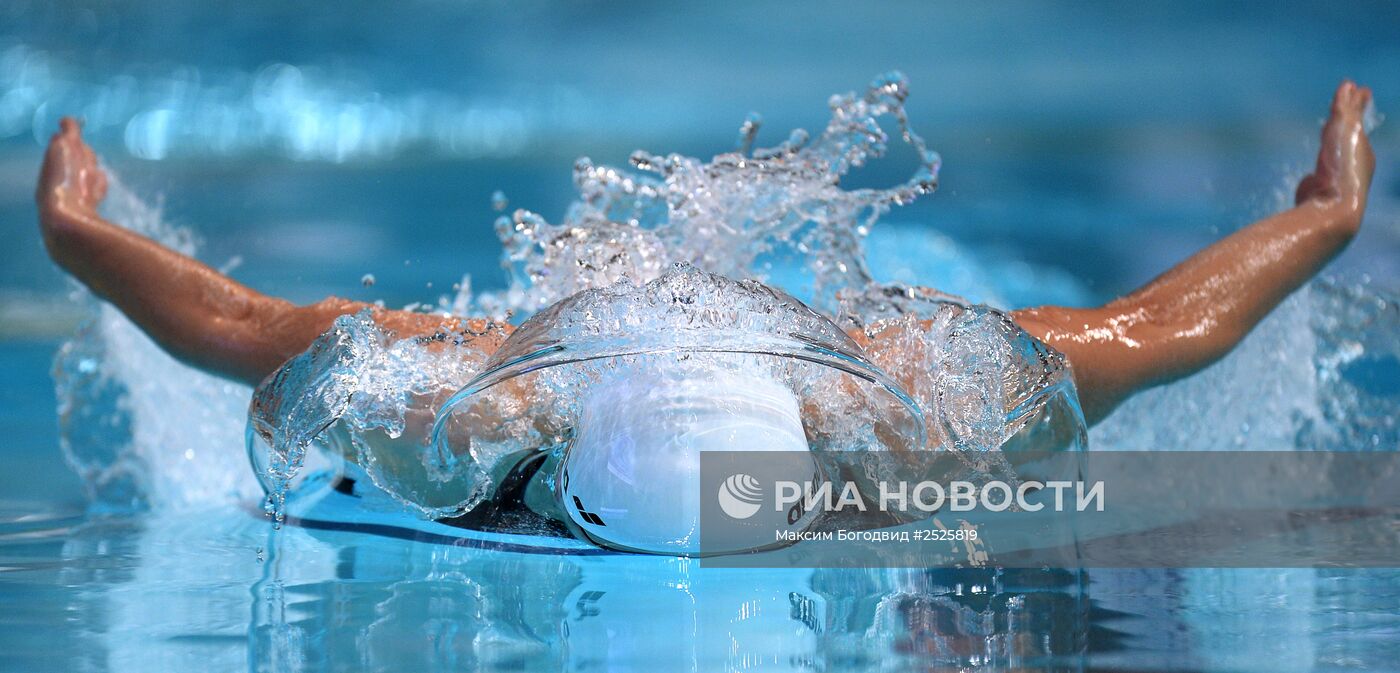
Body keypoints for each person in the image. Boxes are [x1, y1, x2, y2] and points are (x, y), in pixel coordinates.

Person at [37, 81, 1374, 430]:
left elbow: (248, 327)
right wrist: (1320, 225)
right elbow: (1159, 327)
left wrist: (85, 243)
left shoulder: (874, 402)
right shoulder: (497, 389)